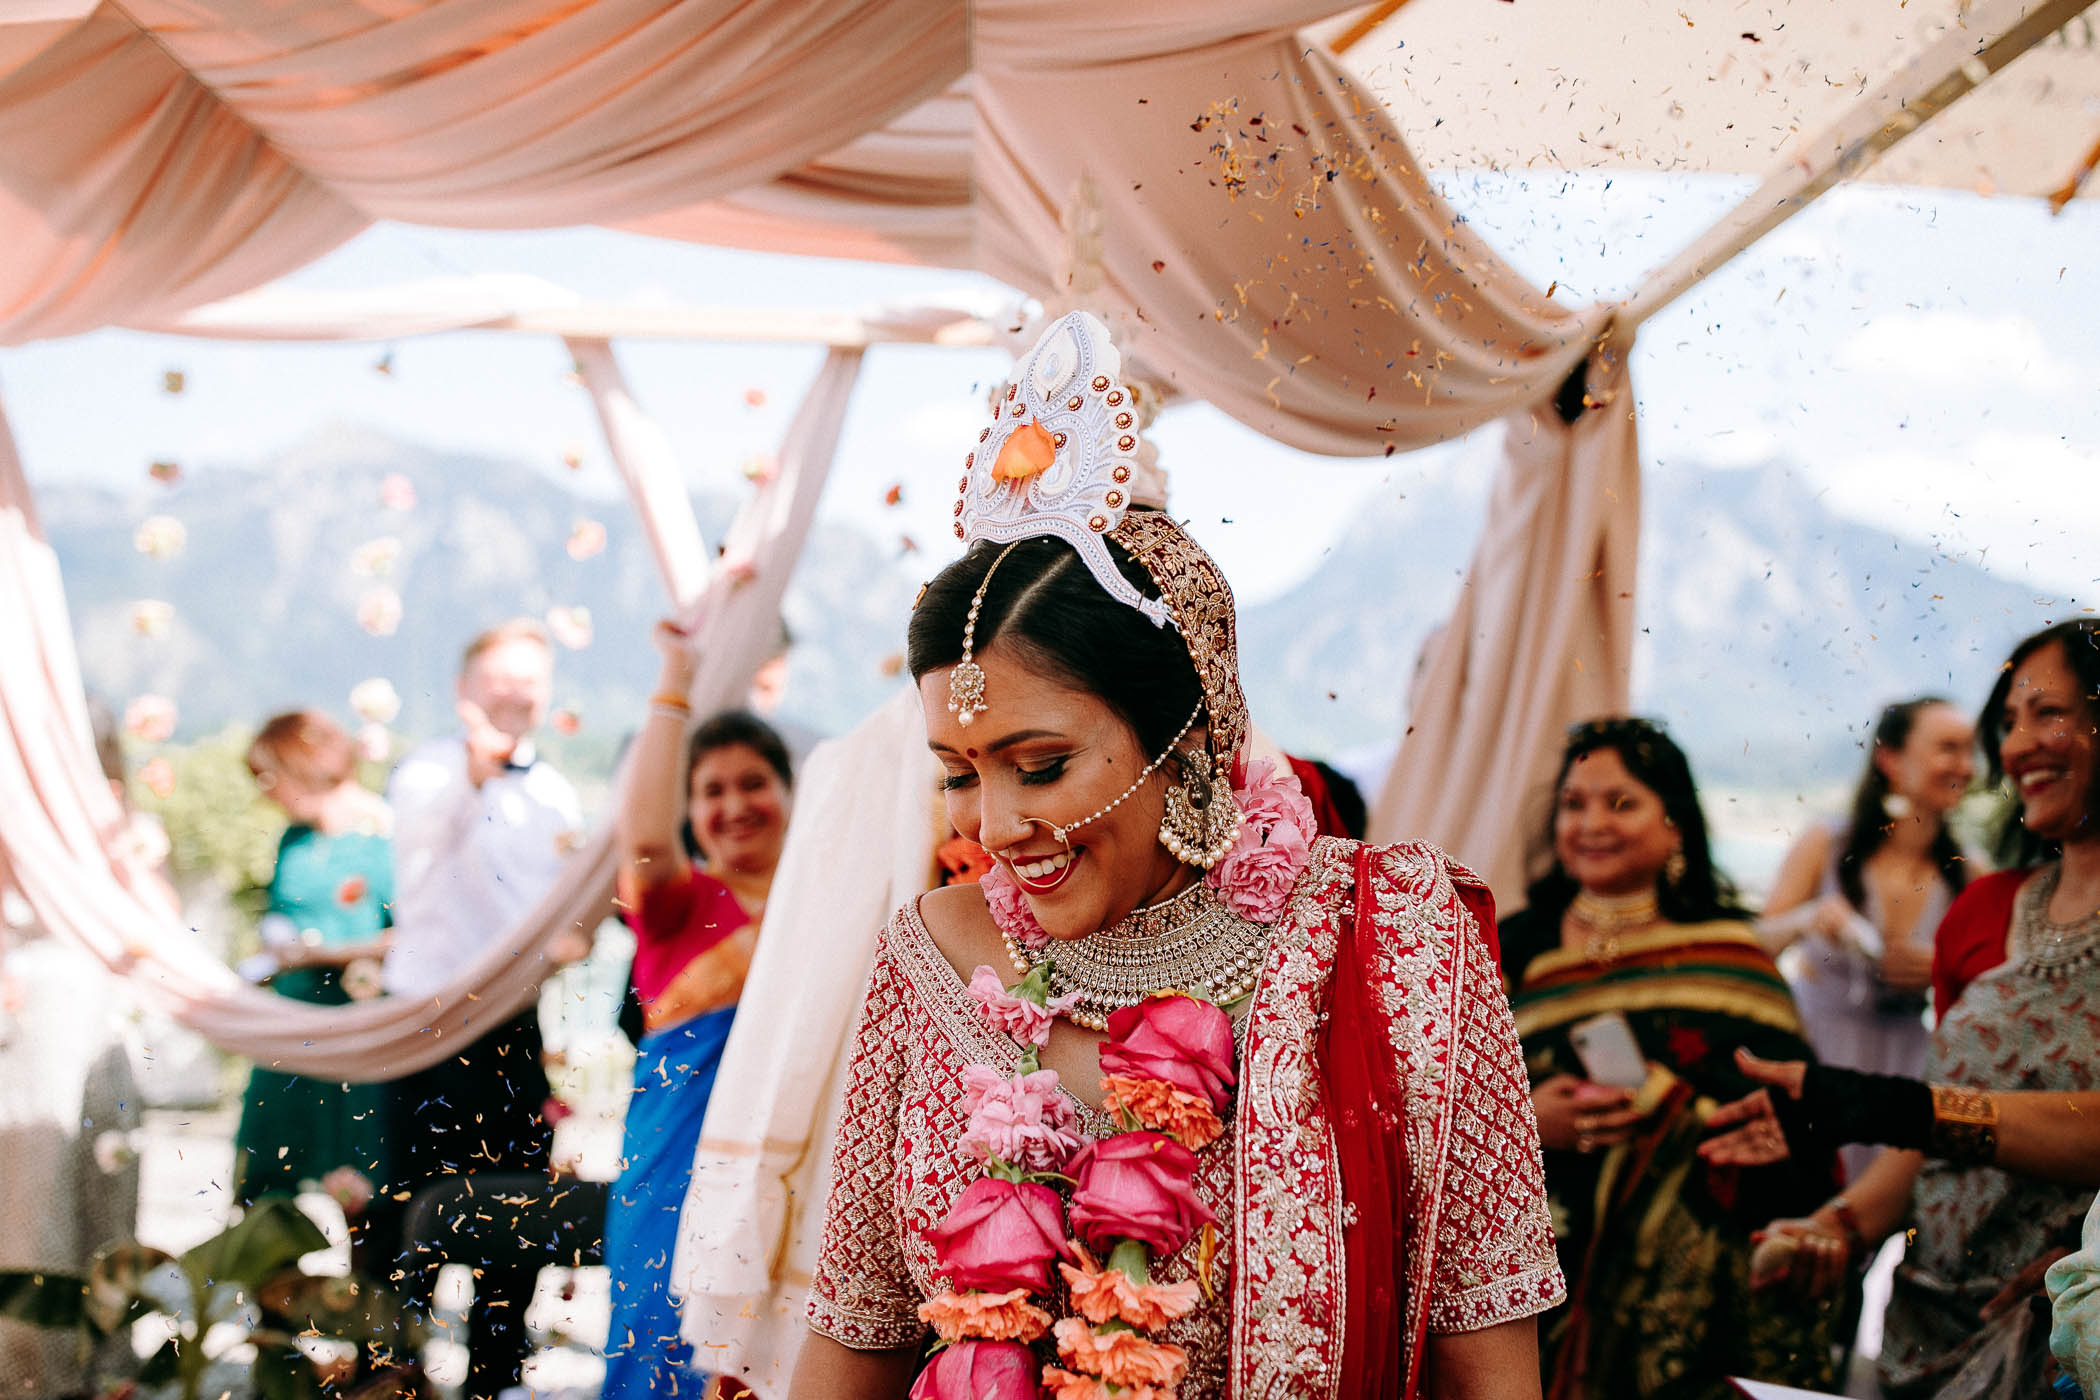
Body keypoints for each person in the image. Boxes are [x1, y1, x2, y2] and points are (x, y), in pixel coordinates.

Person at [791, 312, 1561, 1400]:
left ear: (1186, 739)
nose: (995, 826)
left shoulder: (1396, 937)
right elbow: (856, 1334)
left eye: (1040, 762)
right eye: (963, 771)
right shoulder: (929, 958)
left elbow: (1487, 1343)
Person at [1730, 619, 2100, 1399]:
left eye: (2047, 713)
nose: (2014, 747)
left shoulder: (1957, 881)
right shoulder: (1988, 909)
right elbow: (1937, 1118)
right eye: (2007, 723)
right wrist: (1842, 1224)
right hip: (1924, 1322)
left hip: (2059, 1333)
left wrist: (2085, 1259)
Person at [1497, 716, 1841, 1399]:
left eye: (1620, 802)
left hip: (1695, 1290)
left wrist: (1678, 1112)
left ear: (1675, 824)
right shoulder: (1511, 944)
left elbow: (1795, 1120)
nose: (1592, 821)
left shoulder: (1734, 955)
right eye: (1574, 804)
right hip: (1536, 1270)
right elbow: (1447, 1095)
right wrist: (1527, 1122)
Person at [379, 619, 583, 1400]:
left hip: (511, 1030)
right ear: (466, 690)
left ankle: (496, 1378)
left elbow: (559, 904)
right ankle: (394, 1371)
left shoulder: (557, 792)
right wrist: (475, 767)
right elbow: (427, 847)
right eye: (499, 678)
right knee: (404, 1202)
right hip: (422, 1023)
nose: (513, 693)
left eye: (529, 680)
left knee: (517, 1203)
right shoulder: (425, 772)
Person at [601, 618, 793, 1400]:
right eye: (711, 792)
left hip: (790, 1167)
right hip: (675, 1176)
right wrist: (674, 684)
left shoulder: (828, 911)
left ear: (790, 793)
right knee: (660, 1344)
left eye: (754, 783)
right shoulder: (683, 906)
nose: (735, 804)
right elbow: (644, 833)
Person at [0, 700, 148, 1397]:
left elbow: (155, 920)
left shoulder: (124, 827)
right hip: (38, 1010)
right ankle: (37, 1367)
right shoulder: (14, 814)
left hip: (112, 1012)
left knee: (109, 1185)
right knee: (40, 1192)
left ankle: (107, 1357)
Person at [1759, 698, 1975, 1176]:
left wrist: (1944, 970)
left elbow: (1989, 990)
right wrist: (1807, 919)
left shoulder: (1970, 873)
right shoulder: (1827, 843)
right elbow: (1753, 947)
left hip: (1907, 1067)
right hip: (1813, 1056)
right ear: (1890, 759)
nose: (1966, 766)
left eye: (1970, 751)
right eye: (1948, 748)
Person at [232, 712, 394, 1247]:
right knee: (266, 1181)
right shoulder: (293, 840)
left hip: (362, 1032)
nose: (265, 792)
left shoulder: (386, 835)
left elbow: (420, 934)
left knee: (367, 1189)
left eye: (269, 776)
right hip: (291, 1029)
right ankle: (270, 1314)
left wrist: (327, 953)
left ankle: (374, 1319)